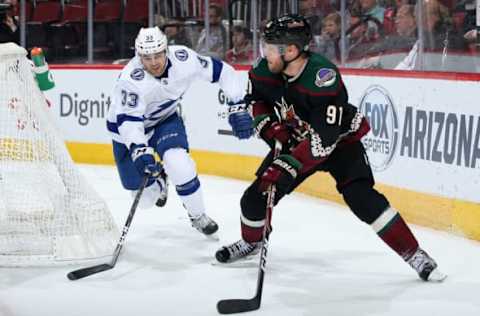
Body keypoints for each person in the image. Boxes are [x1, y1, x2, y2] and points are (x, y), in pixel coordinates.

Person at [217, 14, 446, 282]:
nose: (263, 53)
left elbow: (323, 141)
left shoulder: (322, 77)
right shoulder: (267, 69)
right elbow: (257, 100)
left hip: (338, 144)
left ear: (290, 50)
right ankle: (252, 242)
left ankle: (415, 254)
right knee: (253, 199)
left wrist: (286, 166)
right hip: (297, 140)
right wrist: (270, 128)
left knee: (362, 198)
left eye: (269, 47)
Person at [107, 27, 246, 236]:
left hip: (164, 121)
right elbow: (128, 121)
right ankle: (160, 181)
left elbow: (223, 72)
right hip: (126, 133)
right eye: (147, 57)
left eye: (158, 55)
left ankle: (197, 215)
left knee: (179, 164)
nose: (154, 62)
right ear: (139, 56)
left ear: (166, 51)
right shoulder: (131, 80)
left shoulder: (184, 59)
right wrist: (138, 149)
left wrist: (237, 103)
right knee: (145, 200)